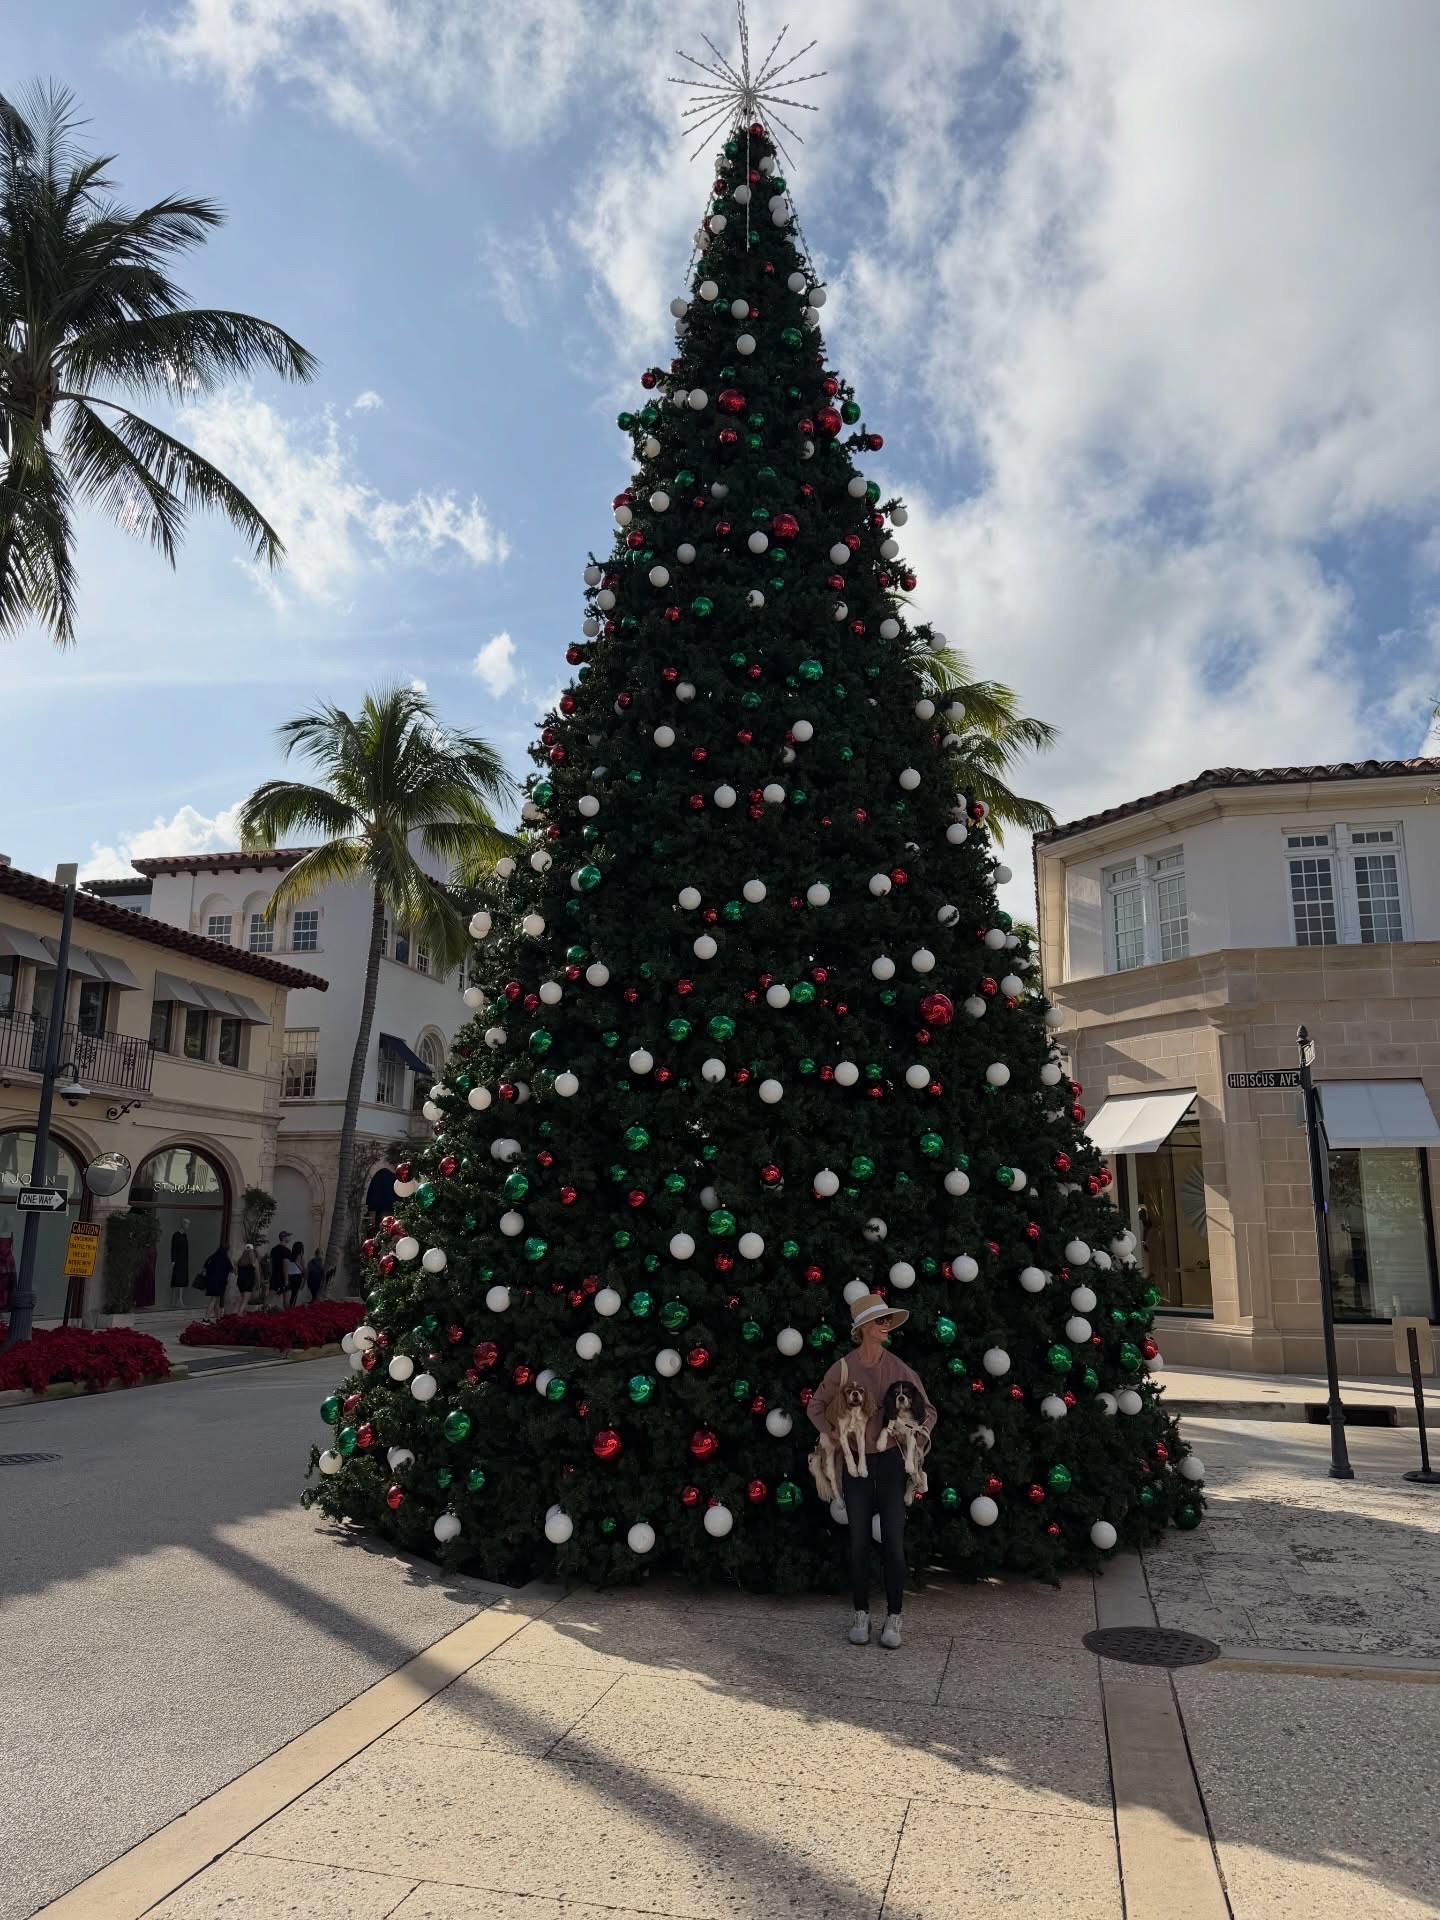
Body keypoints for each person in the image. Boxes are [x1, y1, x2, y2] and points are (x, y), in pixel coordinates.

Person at [807, 1292, 937, 1651]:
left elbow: (929, 1411)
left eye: (887, 1321)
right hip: (856, 1467)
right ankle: (861, 1614)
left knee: (894, 1543)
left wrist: (909, 1430)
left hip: (893, 1464)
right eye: (880, 1321)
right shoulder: (844, 1368)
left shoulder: (898, 1367)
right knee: (859, 1543)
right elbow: (816, 1405)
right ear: (863, 1327)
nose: (886, 1327)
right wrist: (832, 1433)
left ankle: (894, 1617)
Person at [201, 1242, 234, 1322]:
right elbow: (232, 1270)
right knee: (213, 1300)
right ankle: (206, 1319)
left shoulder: (212, 1257)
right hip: (220, 1283)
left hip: (210, 1282)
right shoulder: (225, 1259)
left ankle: (218, 1318)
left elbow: (204, 1269)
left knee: (216, 1300)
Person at [267, 1230, 291, 1310]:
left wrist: (271, 1275)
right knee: (286, 1300)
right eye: (288, 1236)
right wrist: (286, 1279)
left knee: (270, 1297)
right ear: (284, 1238)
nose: (289, 1237)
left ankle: (264, 1313)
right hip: (283, 1277)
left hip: (274, 1276)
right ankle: (287, 1317)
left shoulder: (274, 1249)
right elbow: (285, 1265)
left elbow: (270, 1264)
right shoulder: (286, 1251)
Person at [235, 1243, 261, 1309]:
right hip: (248, 1282)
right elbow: (257, 1273)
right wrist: (258, 1284)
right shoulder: (254, 1261)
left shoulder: (240, 1261)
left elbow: (237, 1272)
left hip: (240, 1282)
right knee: (245, 1301)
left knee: (243, 1299)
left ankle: (243, 1315)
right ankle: (239, 1315)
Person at [286, 1240, 305, 1308]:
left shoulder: (290, 1256)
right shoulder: (300, 1257)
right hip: (297, 1277)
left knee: (289, 1293)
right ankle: (291, 1307)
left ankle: (288, 1306)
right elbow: (303, 1269)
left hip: (290, 1276)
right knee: (294, 1294)